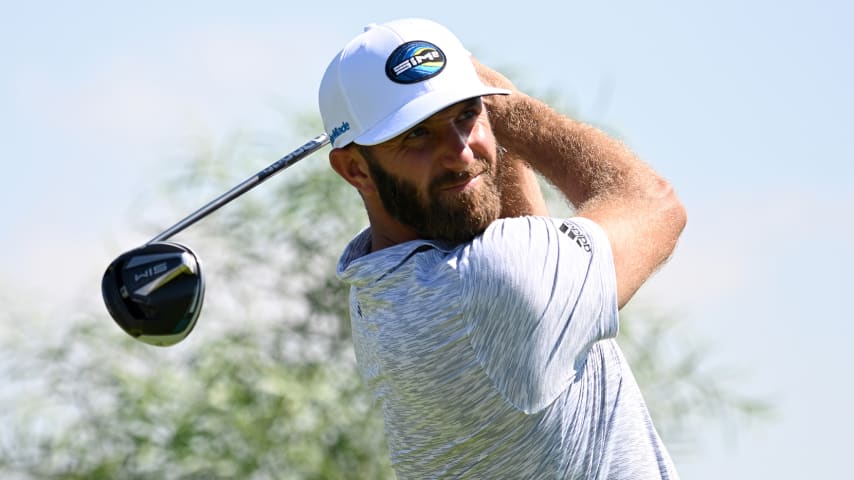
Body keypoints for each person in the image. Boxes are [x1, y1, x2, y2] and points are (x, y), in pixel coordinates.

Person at [318, 17, 687, 479]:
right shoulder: (484, 285)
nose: (461, 151)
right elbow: (653, 203)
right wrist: (506, 104)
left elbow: (523, 233)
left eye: (466, 114)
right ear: (355, 169)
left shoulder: (375, 285)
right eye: (417, 134)